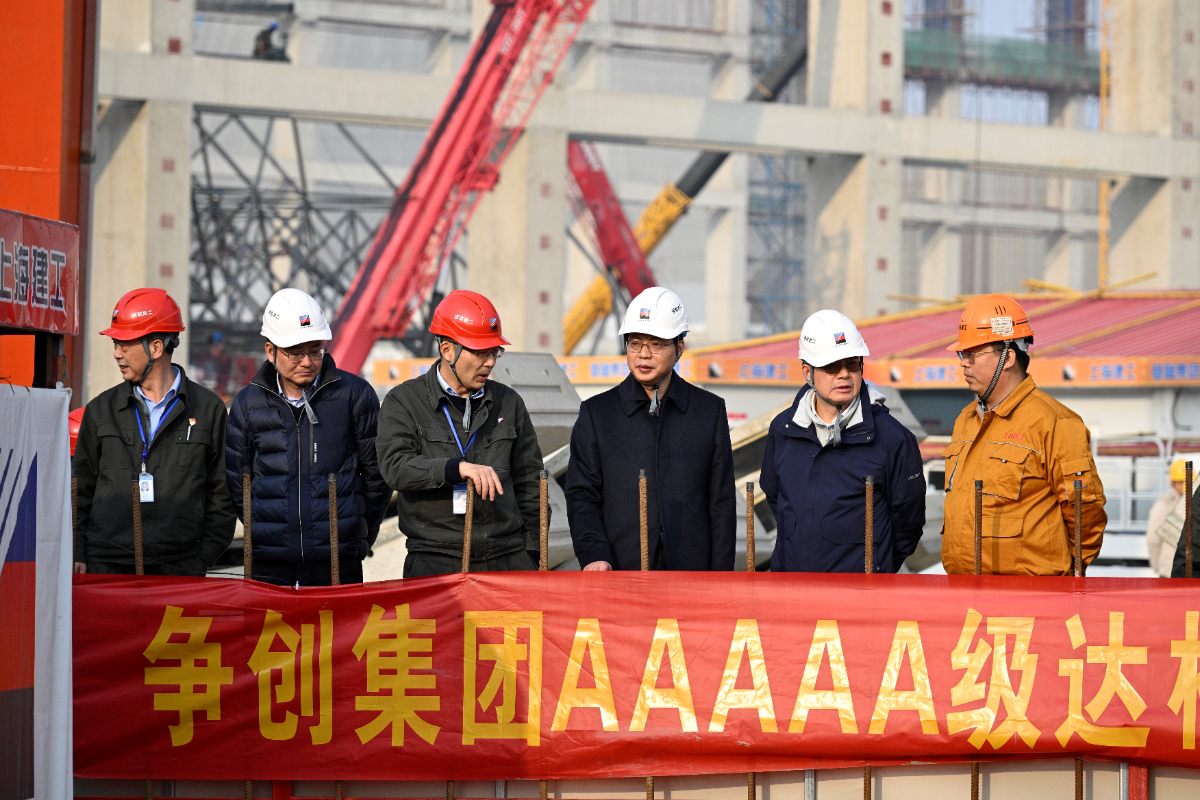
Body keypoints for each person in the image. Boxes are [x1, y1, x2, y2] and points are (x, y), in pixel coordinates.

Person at [376, 290, 545, 578]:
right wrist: (454, 469)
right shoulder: (404, 402)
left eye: (494, 352)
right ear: (447, 350)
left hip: (506, 559)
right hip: (435, 563)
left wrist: (531, 552)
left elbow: (531, 483)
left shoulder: (509, 403)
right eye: (480, 352)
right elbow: (396, 467)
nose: (490, 362)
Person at [225, 288, 389, 586]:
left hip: (338, 560)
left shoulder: (355, 395)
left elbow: (377, 476)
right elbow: (238, 482)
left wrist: (358, 537)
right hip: (270, 563)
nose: (307, 361)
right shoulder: (248, 403)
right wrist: (264, 534)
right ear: (270, 351)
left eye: (315, 350)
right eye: (295, 352)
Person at [566, 287, 735, 571]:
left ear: (679, 347)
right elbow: (582, 495)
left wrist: (720, 579)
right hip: (620, 572)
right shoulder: (598, 414)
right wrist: (595, 554)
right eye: (635, 344)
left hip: (691, 576)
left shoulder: (708, 412)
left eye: (656, 344)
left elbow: (721, 503)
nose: (643, 355)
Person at [941, 293, 1106, 575]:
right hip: (964, 588)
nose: (963, 363)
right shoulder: (966, 420)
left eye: (972, 354)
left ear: (1007, 357)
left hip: (1031, 593)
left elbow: (1085, 514)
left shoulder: (1055, 422)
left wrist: (1064, 576)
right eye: (961, 354)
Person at [73, 288, 235, 576]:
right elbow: (79, 490)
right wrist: (78, 553)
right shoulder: (100, 411)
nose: (116, 354)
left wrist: (201, 560)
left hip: (179, 570)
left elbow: (222, 495)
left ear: (157, 348)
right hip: (107, 569)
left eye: (125, 345)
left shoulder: (208, 410)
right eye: (115, 344)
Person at [760, 310, 925, 573]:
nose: (844, 374)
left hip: (858, 593)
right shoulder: (783, 430)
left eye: (852, 364)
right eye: (832, 366)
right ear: (807, 372)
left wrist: (877, 568)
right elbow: (775, 498)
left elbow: (907, 524)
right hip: (790, 589)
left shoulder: (893, 439)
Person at [1147, 459, 1188, 577]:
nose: (1184, 485)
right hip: (1170, 572)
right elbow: (1153, 540)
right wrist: (1159, 566)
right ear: (1173, 483)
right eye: (1180, 481)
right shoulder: (1164, 505)